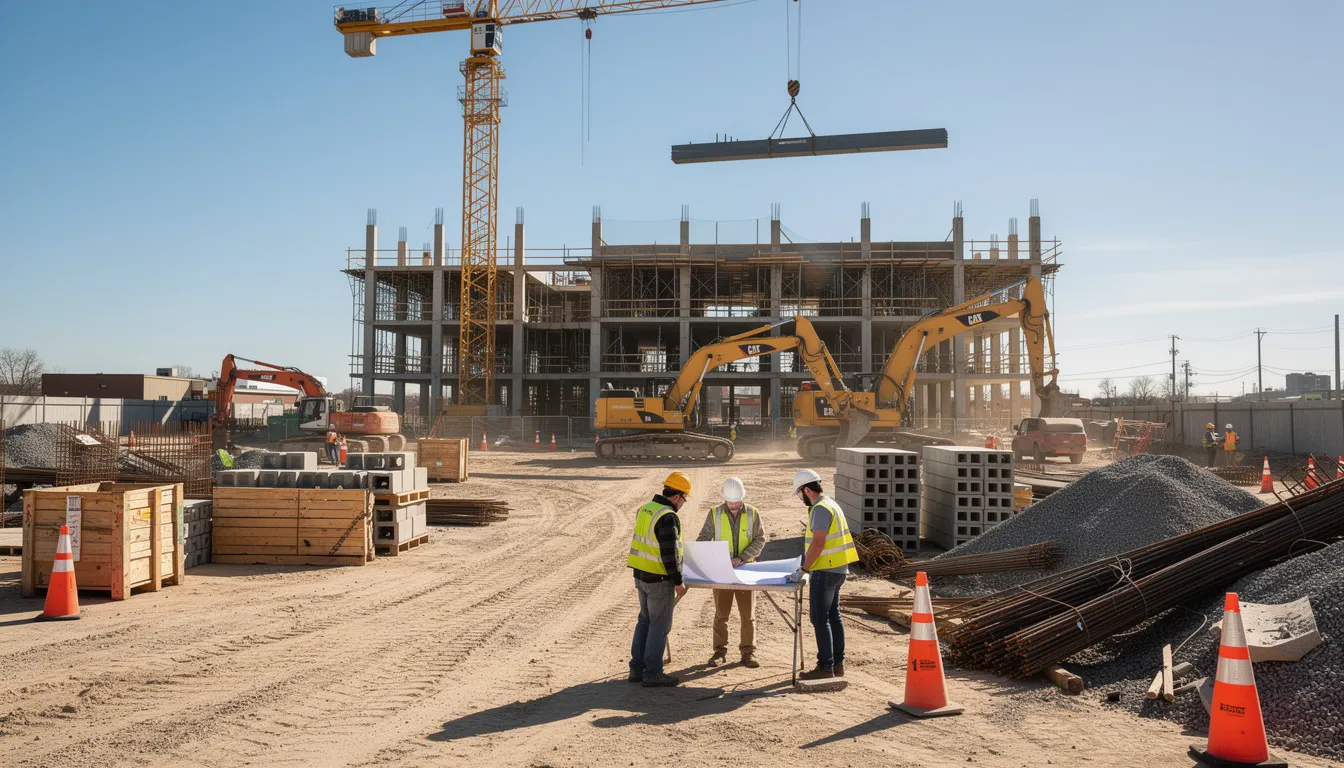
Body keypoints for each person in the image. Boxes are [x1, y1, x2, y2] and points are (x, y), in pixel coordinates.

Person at [627, 471, 691, 688]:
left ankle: (636, 669)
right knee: (659, 626)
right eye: (684, 499)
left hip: (641, 576)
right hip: (659, 579)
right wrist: (678, 582)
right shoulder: (668, 516)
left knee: (644, 621)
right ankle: (653, 673)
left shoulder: (646, 508)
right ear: (677, 496)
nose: (683, 503)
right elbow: (669, 553)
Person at [794, 468, 858, 680]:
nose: (800, 498)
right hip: (838, 569)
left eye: (799, 493)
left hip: (825, 571)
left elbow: (818, 543)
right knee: (833, 616)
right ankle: (837, 664)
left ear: (806, 490)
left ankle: (825, 667)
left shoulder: (820, 509)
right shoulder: (832, 504)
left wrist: (803, 569)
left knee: (820, 619)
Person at [696, 477, 766, 668]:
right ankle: (719, 652)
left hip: (746, 571)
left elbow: (760, 539)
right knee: (721, 614)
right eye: (730, 501)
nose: (734, 505)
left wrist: (742, 557)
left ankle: (748, 652)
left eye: (737, 501)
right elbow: (703, 538)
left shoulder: (753, 513)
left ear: (742, 497)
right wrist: (715, 558)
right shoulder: (714, 513)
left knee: (747, 616)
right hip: (722, 572)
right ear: (724, 498)